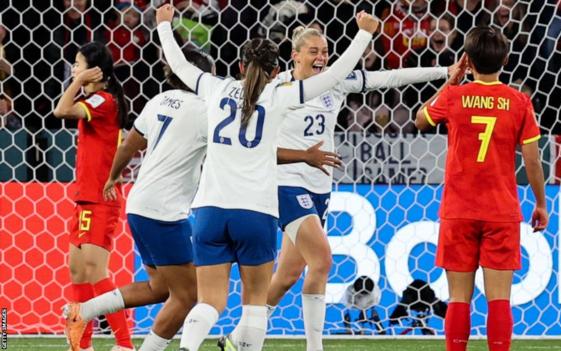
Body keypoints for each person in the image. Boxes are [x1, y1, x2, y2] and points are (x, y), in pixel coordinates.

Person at [155, 4, 378, 351]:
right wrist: (364, 33)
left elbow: (180, 65)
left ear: (241, 66)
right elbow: (334, 77)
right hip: (255, 212)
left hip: (210, 211)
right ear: (277, 70)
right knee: (255, 306)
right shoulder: (281, 95)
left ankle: (187, 348)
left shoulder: (214, 88)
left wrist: (165, 26)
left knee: (210, 302)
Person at [233, 25, 457, 351]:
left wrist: (443, 72)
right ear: (295, 56)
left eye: (324, 51)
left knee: (288, 275)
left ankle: (239, 338)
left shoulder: (334, 84)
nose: (321, 57)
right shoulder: (276, 87)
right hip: (286, 184)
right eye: (313, 51)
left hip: (320, 188)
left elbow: (389, 78)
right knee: (322, 259)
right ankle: (314, 347)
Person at [63, 49, 214, 351]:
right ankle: (133, 345)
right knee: (188, 295)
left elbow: (129, 144)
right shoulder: (206, 110)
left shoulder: (158, 101)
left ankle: (88, 314)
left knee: (159, 288)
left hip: (140, 204)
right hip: (165, 211)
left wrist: (113, 176)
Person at [415, 27, 548, 351]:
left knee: (459, 298)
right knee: (499, 299)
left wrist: (453, 80)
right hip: (500, 211)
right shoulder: (519, 102)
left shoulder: (454, 96)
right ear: (505, 59)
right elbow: (532, 161)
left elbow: (420, 120)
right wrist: (541, 204)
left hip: (459, 210)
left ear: (468, 61)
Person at [52, 41, 133, 351]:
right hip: (84, 197)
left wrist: (75, 82)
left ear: (96, 71)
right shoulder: (95, 99)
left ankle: (125, 344)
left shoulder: (104, 100)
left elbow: (60, 110)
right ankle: (82, 345)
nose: (74, 68)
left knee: (96, 270)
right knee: (77, 270)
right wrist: (78, 80)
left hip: (101, 198)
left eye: (78, 63)